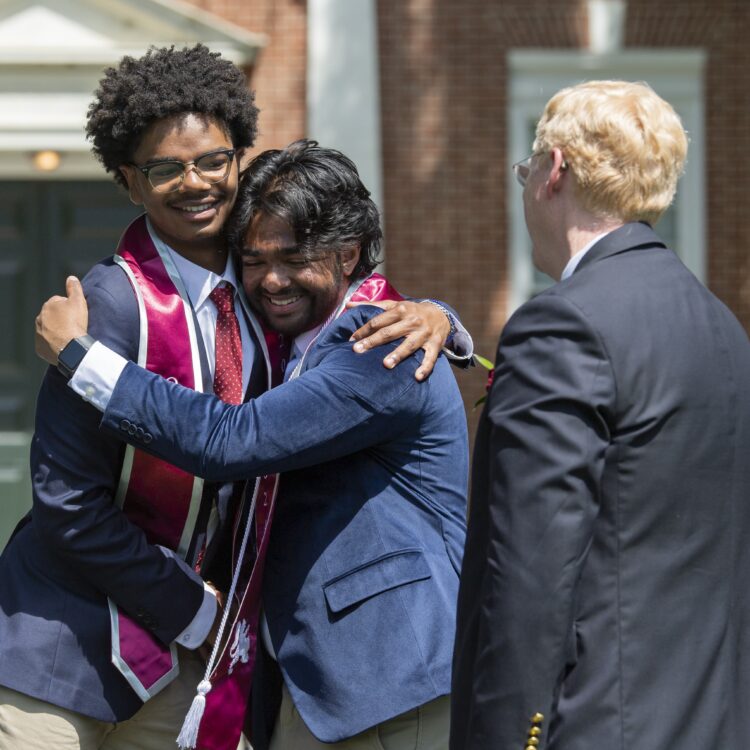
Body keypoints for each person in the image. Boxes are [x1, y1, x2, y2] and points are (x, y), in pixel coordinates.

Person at [0, 46, 462, 750]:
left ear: (238, 160)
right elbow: (68, 502)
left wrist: (441, 317)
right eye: (165, 167)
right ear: (130, 182)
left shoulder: (271, 310)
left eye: (212, 160)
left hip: (205, 666)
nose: (195, 182)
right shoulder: (111, 305)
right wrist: (192, 611)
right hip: (67, 646)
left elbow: (252, 425)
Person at [450, 79, 750, 750]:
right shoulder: (724, 329)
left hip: (592, 728)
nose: (525, 186)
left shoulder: (563, 325)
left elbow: (529, 570)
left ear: (554, 171)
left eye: (526, 171)